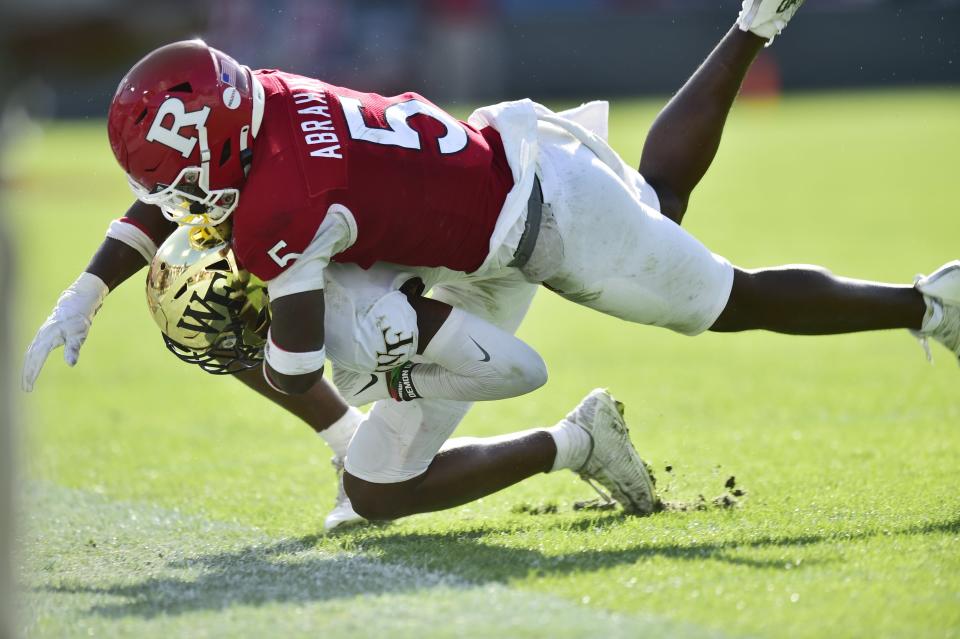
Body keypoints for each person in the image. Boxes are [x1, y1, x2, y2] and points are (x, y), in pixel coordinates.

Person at [24, 0, 960, 520]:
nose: (179, 204)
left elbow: (298, 364)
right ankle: (579, 441)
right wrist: (89, 285)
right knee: (373, 492)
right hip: (468, 222)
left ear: (218, 139)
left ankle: (930, 304)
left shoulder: (283, 201)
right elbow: (176, 189)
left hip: (541, 214)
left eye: (187, 180)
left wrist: (235, 352)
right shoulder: (260, 98)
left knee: (718, 295)